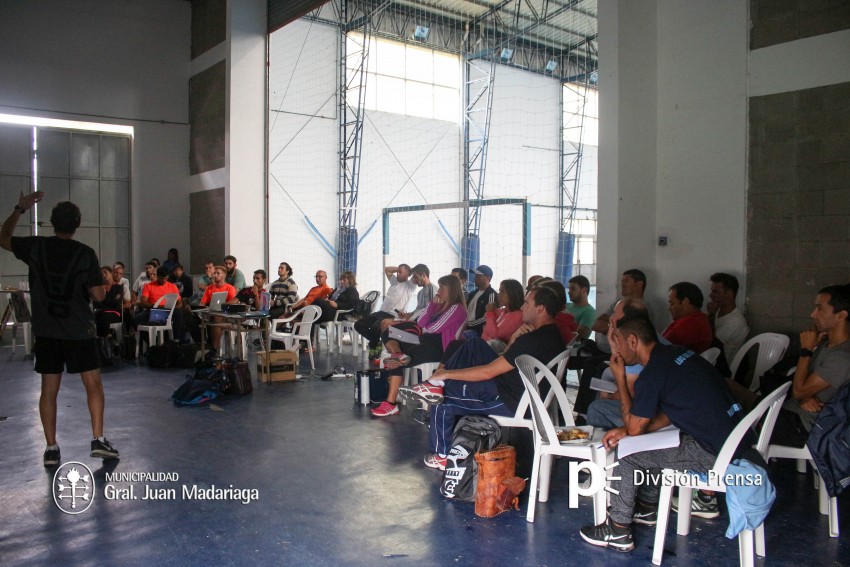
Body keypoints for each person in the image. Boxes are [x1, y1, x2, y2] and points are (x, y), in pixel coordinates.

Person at [579, 313, 745, 553]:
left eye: (619, 342)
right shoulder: (679, 355)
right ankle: (646, 506)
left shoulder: (653, 373)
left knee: (628, 452)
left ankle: (617, 529)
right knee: (649, 440)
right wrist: (629, 429)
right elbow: (664, 415)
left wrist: (621, 379)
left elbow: (635, 427)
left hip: (716, 453)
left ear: (633, 341)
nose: (616, 349)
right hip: (734, 438)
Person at [0, 193, 120, 466]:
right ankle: (98, 439)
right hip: (80, 330)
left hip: (47, 331)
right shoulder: (85, 253)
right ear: (77, 225)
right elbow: (99, 296)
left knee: (49, 390)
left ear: (52, 223)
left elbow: (3, 237)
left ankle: (52, 448)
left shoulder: (35, 247)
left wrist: (20, 208)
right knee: (93, 386)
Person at [412, 286, 566, 469]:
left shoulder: (532, 341)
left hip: (510, 400)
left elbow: (488, 372)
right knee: (474, 344)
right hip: (519, 388)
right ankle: (436, 383)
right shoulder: (549, 334)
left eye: (527, 303)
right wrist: (516, 337)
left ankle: (441, 454)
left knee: (443, 397)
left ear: (540, 309)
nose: (523, 307)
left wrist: (446, 373)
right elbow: (505, 359)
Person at [370, 275, 467, 418]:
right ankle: (398, 354)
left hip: (439, 347)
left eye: (441, 287)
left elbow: (433, 329)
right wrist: (432, 305)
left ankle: (390, 403)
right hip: (423, 340)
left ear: (451, 290)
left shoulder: (457, 308)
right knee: (388, 332)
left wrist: (426, 327)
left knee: (397, 360)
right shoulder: (438, 306)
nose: (438, 290)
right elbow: (421, 323)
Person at [771, 284, 850, 448]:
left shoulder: (841, 357)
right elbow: (803, 390)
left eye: (820, 309)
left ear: (841, 315)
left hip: (805, 426)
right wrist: (805, 396)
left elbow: (798, 390)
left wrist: (806, 351)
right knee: (731, 390)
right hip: (791, 410)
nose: (812, 314)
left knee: (735, 414)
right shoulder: (826, 343)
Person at [354, 264, 416, 355]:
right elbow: (387, 269)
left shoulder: (410, 286)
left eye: (400, 272)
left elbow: (415, 274)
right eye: (397, 272)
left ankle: (374, 345)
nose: (398, 274)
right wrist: (399, 269)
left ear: (407, 274)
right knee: (358, 324)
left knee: (376, 327)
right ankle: (375, 342)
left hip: (393, 315)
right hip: (381, 312)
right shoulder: (394, 281)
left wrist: (409, 270)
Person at [134, 266, 186, 341]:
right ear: (157, 276)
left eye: (166, 278)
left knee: (179, 312)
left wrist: (169, 307)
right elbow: (143, 302)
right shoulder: (148, 286)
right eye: (162, 278)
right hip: (153, 310)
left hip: (168, 312)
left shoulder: (172, 287)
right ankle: (151, 341)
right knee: (135, 320)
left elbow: (179, 303)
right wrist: (157, 306)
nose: (164, 280)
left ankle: (175, 340)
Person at [707, 272, 749, 364]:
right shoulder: (717, 310)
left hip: (720, 366)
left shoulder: (735, 321)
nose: (710, 295)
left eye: (716, 292)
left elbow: (710, 343)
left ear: (729, 294)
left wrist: (711, 315)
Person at [662, 281, 713, 353]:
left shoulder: (691, 323)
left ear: (685, 301)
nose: (669, 308)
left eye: (672, 303)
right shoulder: (699, 320)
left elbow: (661, 347)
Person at [198, 265, 238, 353]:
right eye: (214, 273)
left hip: (226, 315)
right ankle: (202, 345)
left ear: (224, 275)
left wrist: (223, 306)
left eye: (218, 273)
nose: (215, 275)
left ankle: (215, 349)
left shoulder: (230, 288)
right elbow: (202, 303)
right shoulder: (209, 288)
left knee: (217, 317)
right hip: (210, 313)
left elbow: (233, 301)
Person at [481, 279, 525, 353]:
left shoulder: (518, 315)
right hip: (484, 345)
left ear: (512, 294)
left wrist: (490, 313)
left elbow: (495, 335)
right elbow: (486, 331)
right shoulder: (500, 311)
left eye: (502, 291)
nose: (498, 295)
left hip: (497, 352)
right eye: (499, 291)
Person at [93, 266, 125, 338]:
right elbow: (97, 303)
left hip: (114, 313)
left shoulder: (118, 287)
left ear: (111, 273)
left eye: (105, 272)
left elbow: (116, 303)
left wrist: (104, 300)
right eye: (101, 273)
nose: (103, 274)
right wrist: (110, 301)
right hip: (100, 312)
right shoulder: (99, 288)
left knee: (103, 316)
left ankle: (103, 339)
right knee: (101, 315)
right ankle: (107, 337)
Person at [465, 265, 497, 335]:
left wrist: (468, 324)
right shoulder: (472, 294)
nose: (475, 278)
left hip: (479, 331)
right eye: (475, 275)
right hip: (467, 327)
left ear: (488, 277)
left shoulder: (491, 294)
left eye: (478, 276)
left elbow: (487, 316)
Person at [566, 275, 597, 340]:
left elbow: (577, 336)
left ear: (584, 290)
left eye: (573, 289)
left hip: (574, 349)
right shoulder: (566, 305)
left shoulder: (589, 312)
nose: (569, 292)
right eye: (569, 289)